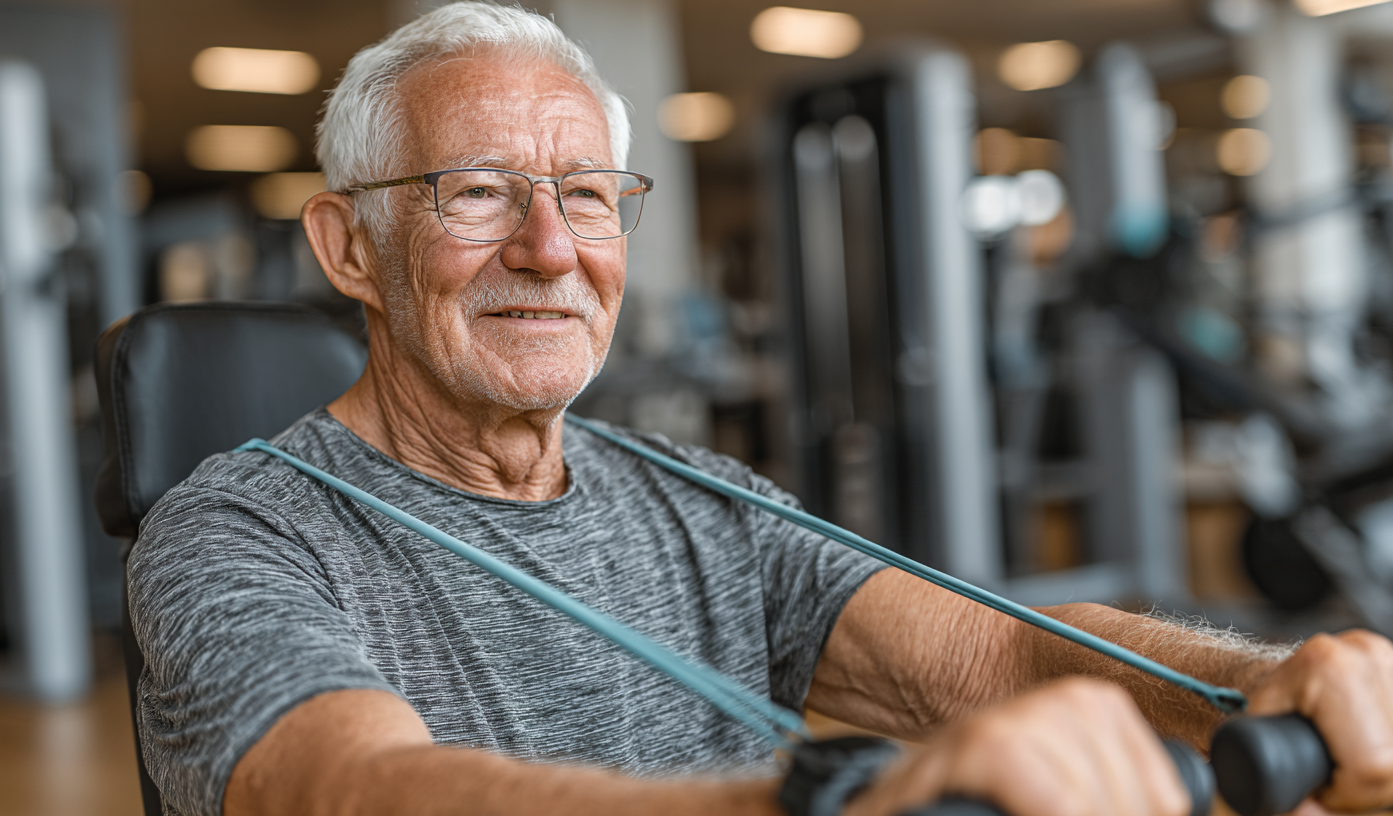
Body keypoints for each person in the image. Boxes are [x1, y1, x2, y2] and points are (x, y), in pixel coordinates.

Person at [128, 4, 1393, 816]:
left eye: (584, 195)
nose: (548, 249)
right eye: (475, 194)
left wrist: (1254, 685)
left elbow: (988, 651)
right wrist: (834, 802)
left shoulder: (694, 498)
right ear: (350, 247)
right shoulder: (236, 530)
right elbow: (353, 789)